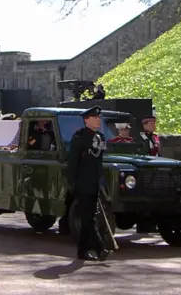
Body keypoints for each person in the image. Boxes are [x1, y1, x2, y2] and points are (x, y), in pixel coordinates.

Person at [66, 106, 111, 261]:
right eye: (95, 118)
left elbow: (99, 161)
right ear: (87, 120)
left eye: (99, 117)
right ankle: (100, 249)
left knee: (89, 217)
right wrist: (72, 182)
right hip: (83, 182)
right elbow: (73, 161)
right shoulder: (79, 137)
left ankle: (82, 251)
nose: (98, 120)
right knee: (88, 218)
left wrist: (101, 182)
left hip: (94, 183)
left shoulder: (101, 137)